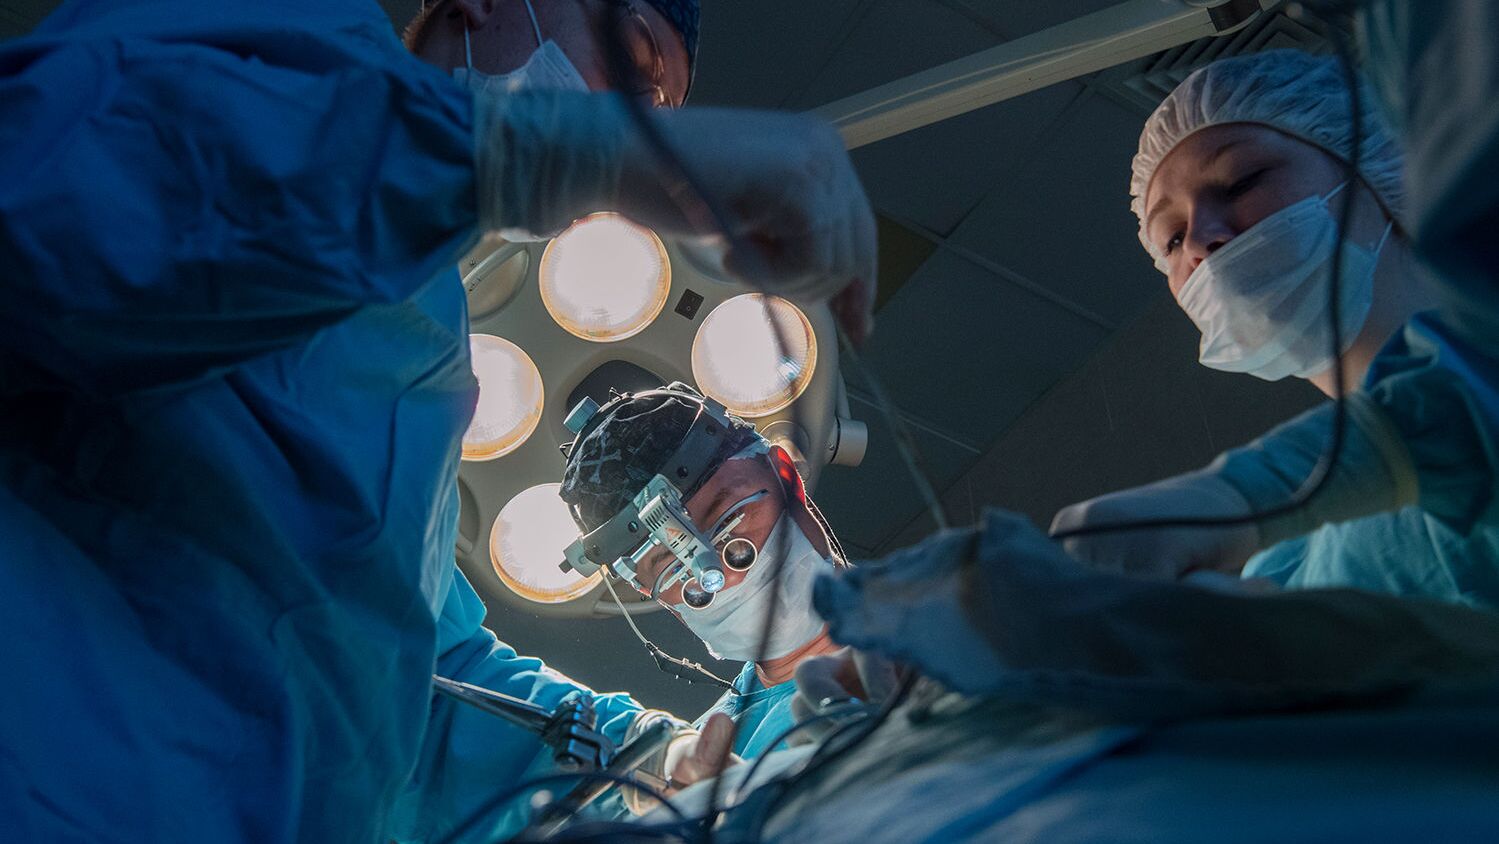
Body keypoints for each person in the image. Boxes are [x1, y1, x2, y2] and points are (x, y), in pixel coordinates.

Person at [0, 0, 878, 841]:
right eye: (635, 61)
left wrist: (643, 771)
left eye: (661, 109)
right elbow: (64, 220)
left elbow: (425, 683)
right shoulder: (278, 33)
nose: (645, 123)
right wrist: (485, 154)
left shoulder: (423, 359)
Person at [1049, 48, 1499, 608]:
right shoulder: (1292, 571)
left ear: (1386, 171)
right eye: (1172, 238)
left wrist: (1238, 497)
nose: (1200, 241)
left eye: (1242, 182)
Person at [558, 384, 849, 762]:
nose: (726, 574)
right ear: (652, 593)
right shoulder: (698, 763)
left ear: (785, 478)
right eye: (674, 565)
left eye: (729, 521)